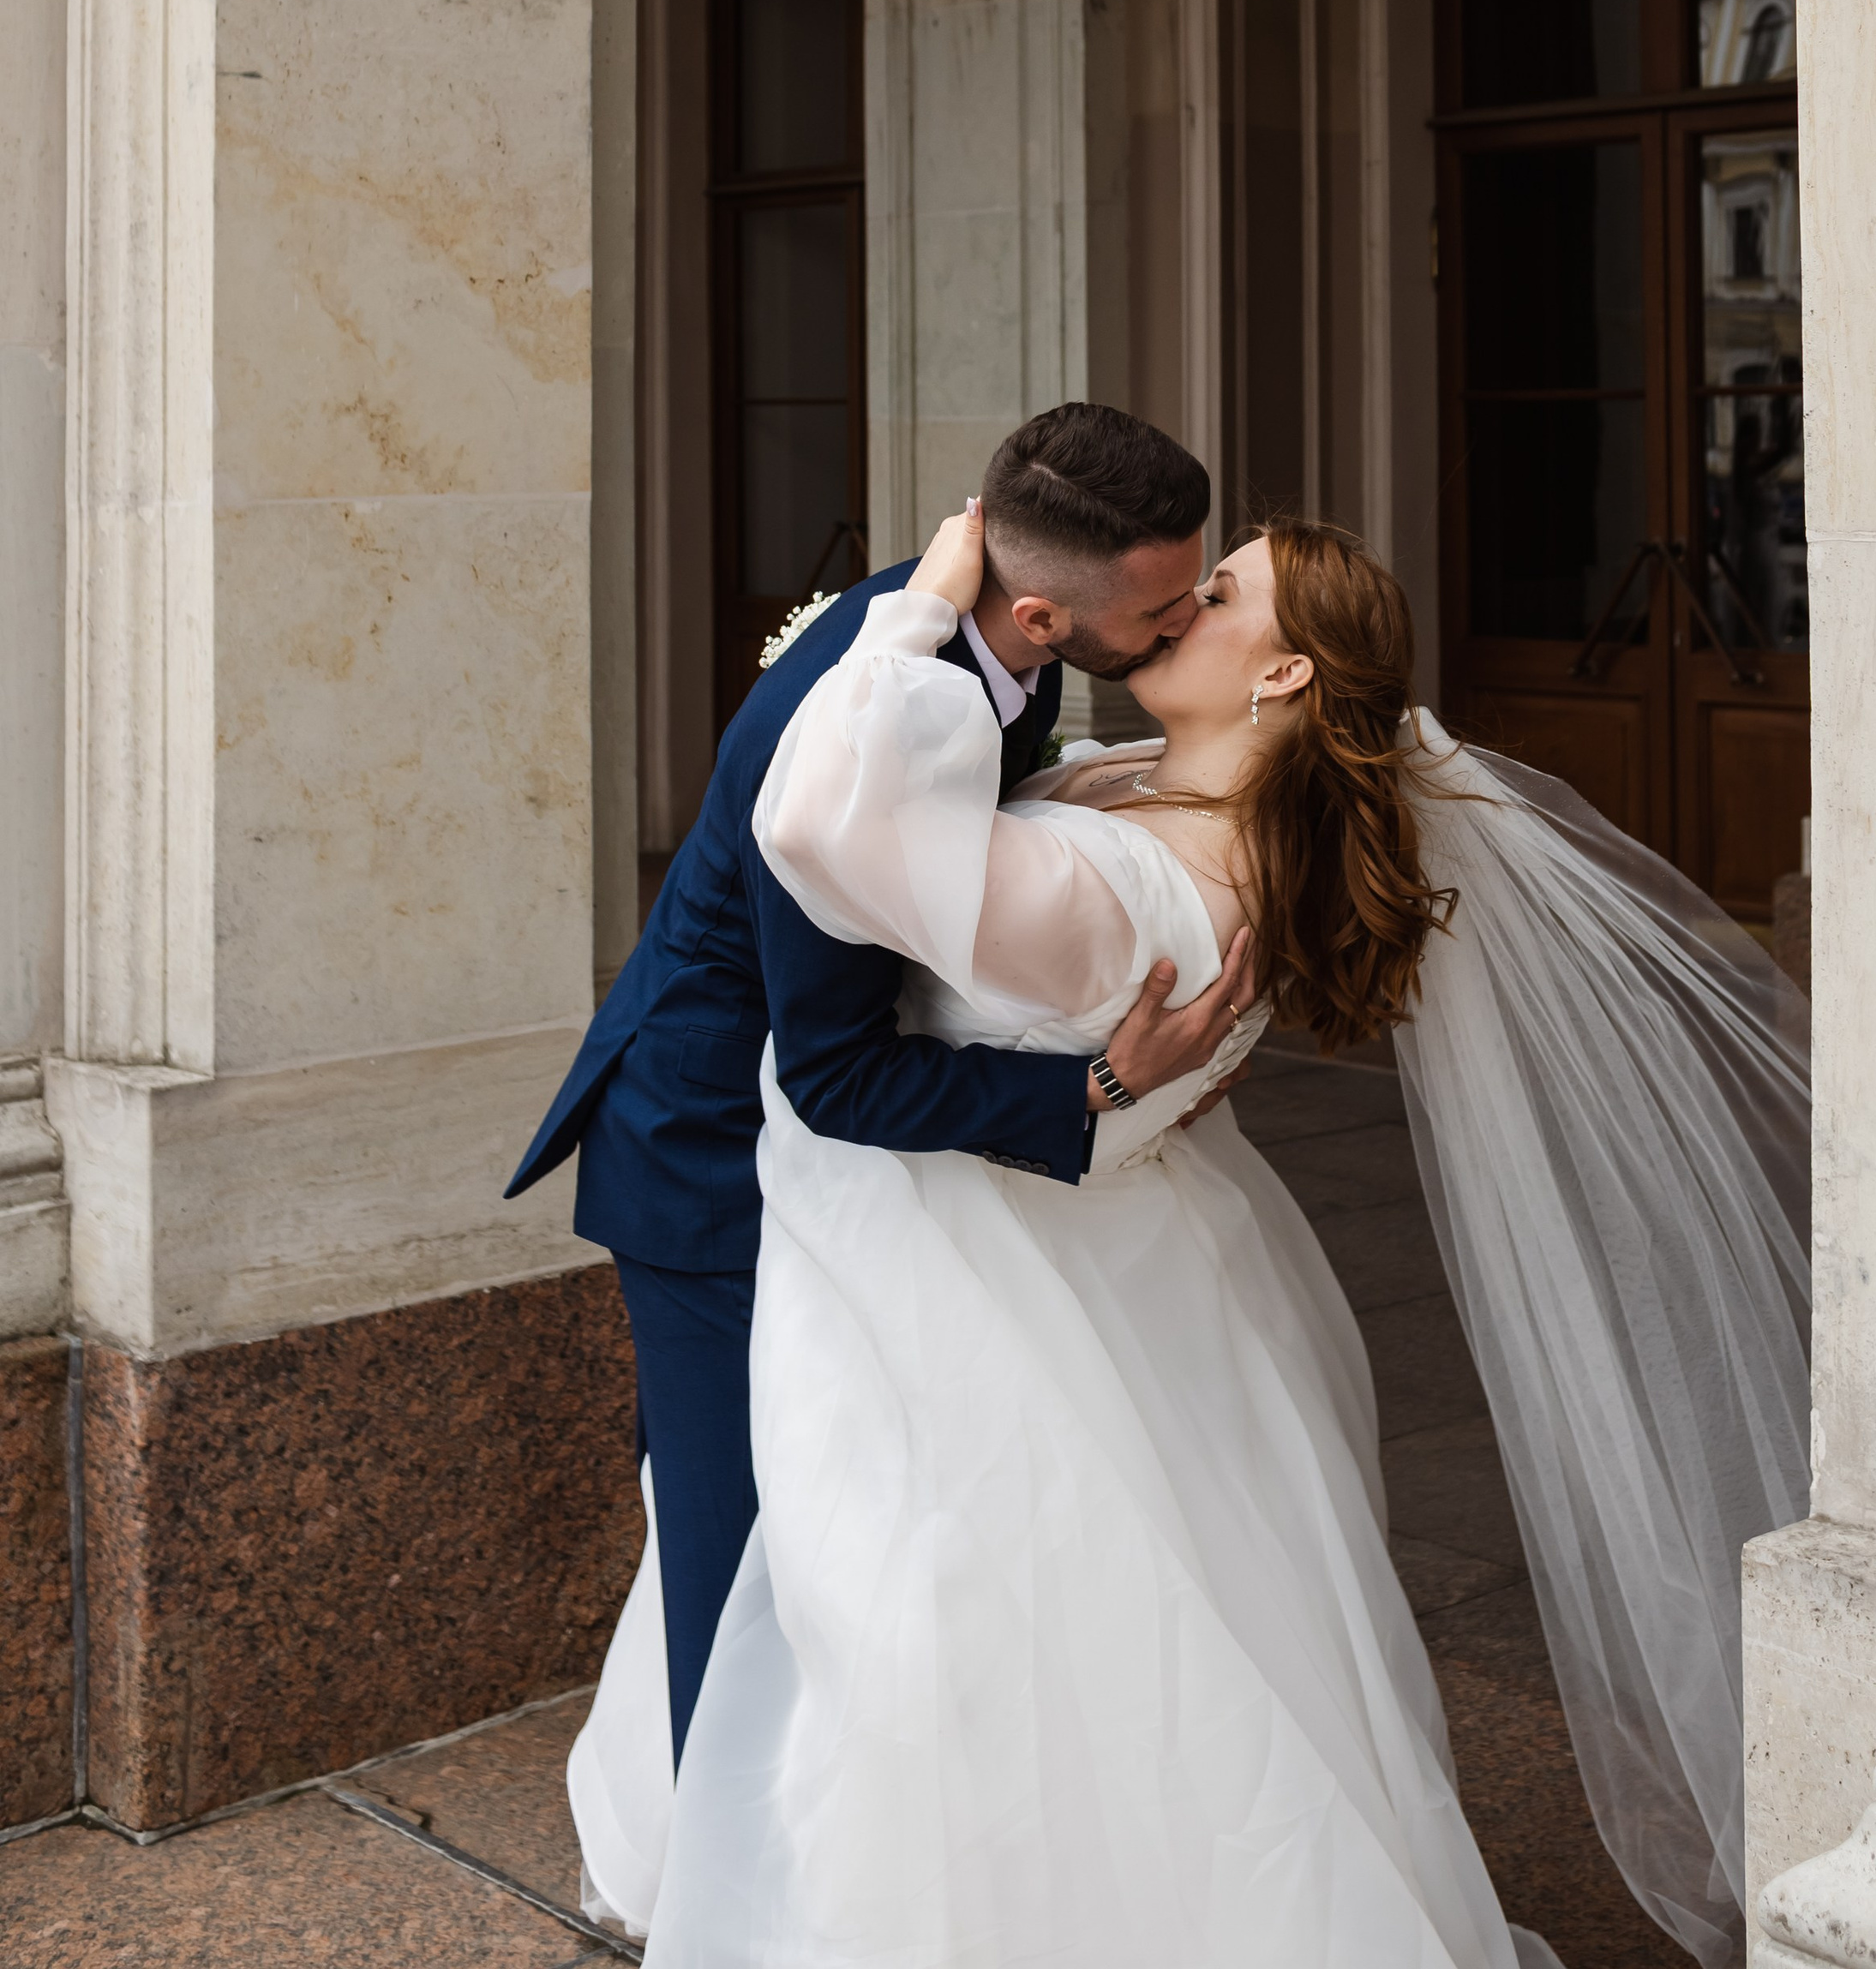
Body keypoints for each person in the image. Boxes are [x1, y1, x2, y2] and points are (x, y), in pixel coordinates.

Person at [570, 506, 1812, 1969]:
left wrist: (912, 613)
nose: (1173, 615)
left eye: (1215, 596)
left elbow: (824, 827)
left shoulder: (1151, 889)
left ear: (1281, 676)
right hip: (1067, 1246)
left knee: (956, 1620)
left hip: (994, 1268)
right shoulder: (1137, 787)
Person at [506, 404, 1256, 1769]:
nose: (1184, 620)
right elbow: (840, 1074)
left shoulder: (978, 639)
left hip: (826, 1158)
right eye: (1160, 608)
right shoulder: (864, 721)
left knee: (851, 1542)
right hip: (712, 1154)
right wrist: (1090, 1085)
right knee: (739, 1564)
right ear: (1038, 612)